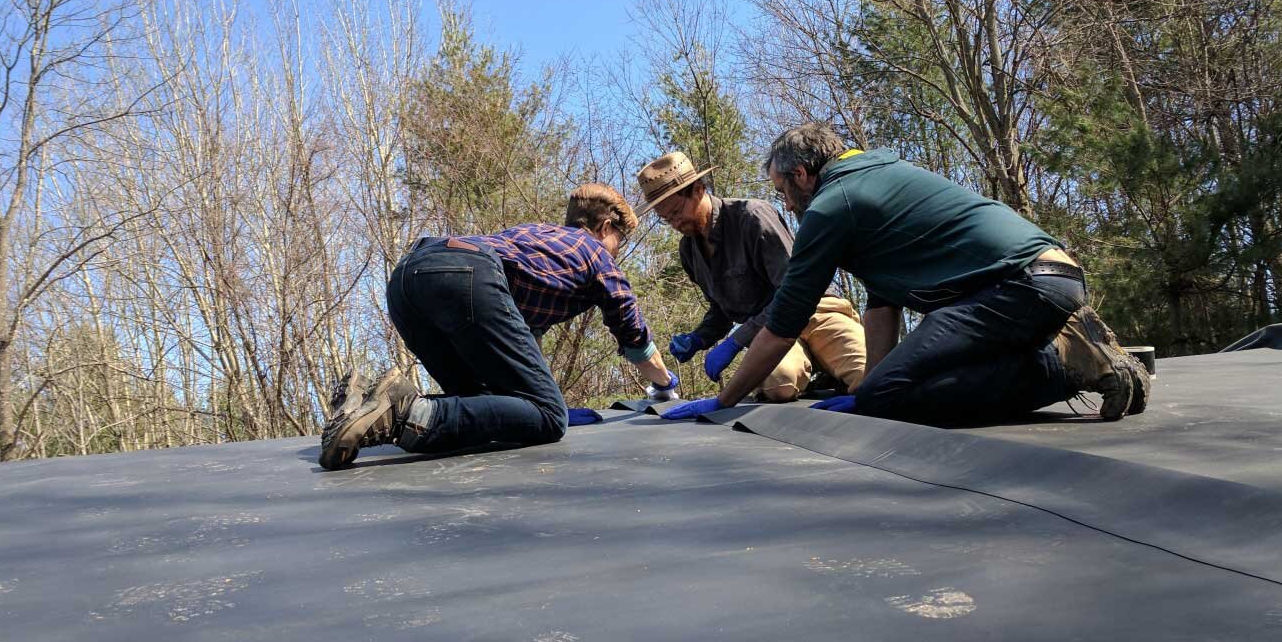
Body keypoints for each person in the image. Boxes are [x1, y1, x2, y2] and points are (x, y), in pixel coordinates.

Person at [662, 124, 1149, 427]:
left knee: (894, 397)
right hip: (1051, 277)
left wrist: (723, 400)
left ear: (804, 173)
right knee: (880, 389)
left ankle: (1065, 364)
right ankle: (1061, 341)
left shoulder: (831, 206)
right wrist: (867, 384)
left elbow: (787, 318)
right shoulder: (876, 171)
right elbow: (882, 300)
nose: (786, 202)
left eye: (784, 189)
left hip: (1015, 287)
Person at [319, 184, 678, 469]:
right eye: (620, 240)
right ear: (605, 228)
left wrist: (534, 397)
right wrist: (665, 385)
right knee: (551, 419)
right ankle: (402, 412)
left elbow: (521, 346)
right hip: (466, 274)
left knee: (488, 410)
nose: (618, 250)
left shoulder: (536, 239)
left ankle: (363, 400)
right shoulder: (596, 254)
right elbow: (633, 334)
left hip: (408, 279)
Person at [637, 150, 866, 401]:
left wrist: (736, 341)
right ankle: (819, 378)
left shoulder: (752, 216)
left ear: (698, 190)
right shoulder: (689, 251)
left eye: (676, 211)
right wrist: (698, 337)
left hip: (816, 311)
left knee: (870, 376)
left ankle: (836, 373)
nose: (674, 223)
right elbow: (722, 309)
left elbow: (795, 292)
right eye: (665, 218)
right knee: (777, 386)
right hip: (770, 333)